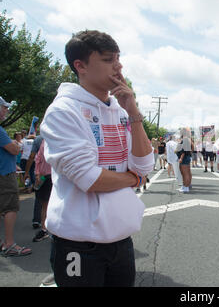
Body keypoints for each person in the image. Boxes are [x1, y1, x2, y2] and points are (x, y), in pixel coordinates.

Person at [40, 30, 154, 287]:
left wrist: (133, 112)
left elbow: (145, 165)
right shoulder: (63, 111)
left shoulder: (121, 109)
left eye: (118, 58)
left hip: (121, 241)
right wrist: (133, 177)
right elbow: (89, 179)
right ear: (80, 66)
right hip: (78, 244)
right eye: (107, 59)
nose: (118, 66)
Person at [0, 96, 32, 257]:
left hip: (5, 170)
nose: (6, 110)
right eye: (4, 107)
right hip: (4, 174)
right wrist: (16, 146)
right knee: (10, 207)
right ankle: (10, 244)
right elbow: (13, 149)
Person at [32, 139, 52, 242]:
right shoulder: (45, 140)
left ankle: (57, 230)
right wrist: (37, 173)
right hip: (45, 177)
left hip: (57, 177)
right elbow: (38, 158)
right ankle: (44, 230)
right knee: (45, 204)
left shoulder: (62, 137)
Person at [177, 128, 193, 193]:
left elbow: (183, 150)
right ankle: (184, 186)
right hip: (186, 157)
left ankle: (186, 187)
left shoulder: (185, 139)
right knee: (184, 173)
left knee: (185, 173)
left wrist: (181, 158)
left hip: (184, 158)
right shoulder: (187, 139)